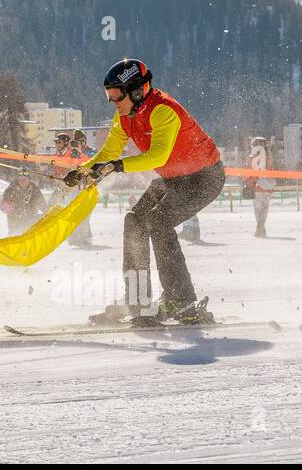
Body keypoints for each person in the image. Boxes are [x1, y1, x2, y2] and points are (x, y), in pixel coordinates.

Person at [64, 58, 223, 326]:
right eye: (109, 96)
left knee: (159, 222)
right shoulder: (124, 116)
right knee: (134, 220)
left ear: (137, 91)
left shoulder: (163, 111)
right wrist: (83, 171)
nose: (113, 102)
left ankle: (181, 301)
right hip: (173, 179)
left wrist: (116, 166)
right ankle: (137, 300)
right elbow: (109, 152)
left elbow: (157, 157)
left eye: (117, 95)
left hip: (203, 178)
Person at [244, 136, 276, 238]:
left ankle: (260, 228)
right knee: (264, 209)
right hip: (267, 186)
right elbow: (271, 171)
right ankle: (261, 228)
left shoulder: (250, 158)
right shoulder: (269, 157)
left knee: (257, 209)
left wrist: (249, 182)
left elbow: (247, 173)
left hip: (256, 186)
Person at [0, 169, 48, 234]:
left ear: (29, 179)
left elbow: (43, 205)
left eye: (25, 178)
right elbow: (3, 207)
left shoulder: (34, 190)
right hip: (15, 225)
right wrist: (8, 206)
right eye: (20, 178)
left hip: (31, 224)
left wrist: (48, 213)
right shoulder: (10, 190)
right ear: (17, 179)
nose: (23, 181)